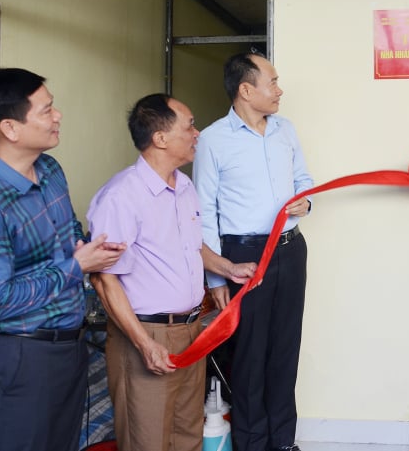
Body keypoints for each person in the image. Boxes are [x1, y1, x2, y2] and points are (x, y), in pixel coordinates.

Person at [0, 68, 124, 451]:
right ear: (10, 128)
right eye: (46, 110)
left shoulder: (50, 170)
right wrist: (76, 267)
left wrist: (90, 248)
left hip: (68, 347)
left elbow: (69, 234)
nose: (58, 115)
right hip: (19, 357)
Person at [87, 94, 257, 451]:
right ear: (160, 138)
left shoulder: (184, 186)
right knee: (148, 441)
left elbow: (193, 247)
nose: (197, 133)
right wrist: (144, 344)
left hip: (191, 331)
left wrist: (229, 268)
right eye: (190, 125)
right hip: (147, 335)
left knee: (188, 436)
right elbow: (104, 279)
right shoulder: (121, 196)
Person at [195, 52, 315, 451]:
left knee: (285, 349)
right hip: (242, 257)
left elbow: (304, 178)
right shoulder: (213, 139)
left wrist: (306, 201)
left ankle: (283, 442)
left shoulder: (285, 130)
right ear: (246, 90)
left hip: (290, 249)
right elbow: (204, 211)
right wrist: (216, 277)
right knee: (248, 354)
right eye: (273, 82)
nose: (279, 90)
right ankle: (251, 443)